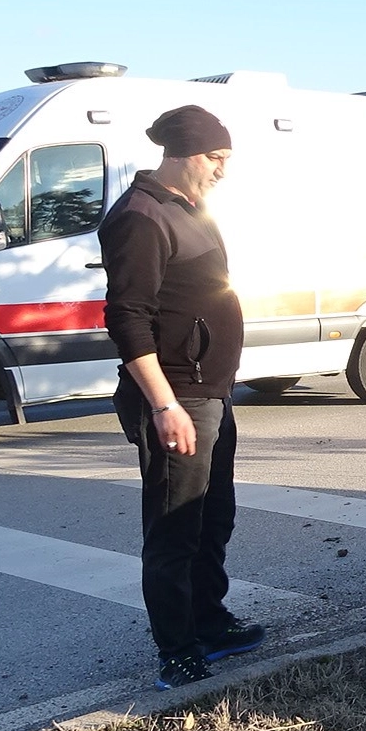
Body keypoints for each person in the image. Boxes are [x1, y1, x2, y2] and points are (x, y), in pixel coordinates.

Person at [101, 104, 263, 690]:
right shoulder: (141, 217)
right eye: (215, 159)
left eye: (226, 159)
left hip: (211, 391)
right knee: (174, 526)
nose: (222, 170)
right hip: (177, 395)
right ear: (183, 153)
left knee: (212, 516)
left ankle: (209, 620)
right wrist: (165, 405)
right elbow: (128, 319)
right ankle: (177, 647)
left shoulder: (191, 207)